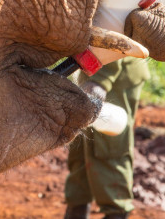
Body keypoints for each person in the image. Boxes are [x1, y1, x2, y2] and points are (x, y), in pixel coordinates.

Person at [64, 57, 150, 219]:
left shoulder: (106, 73)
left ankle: (117, 211)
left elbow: (115, 33)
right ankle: (77, 209)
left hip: (114, 72)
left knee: (107, 144)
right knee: (82, 143)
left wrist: (101, 80)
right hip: (92, 68)